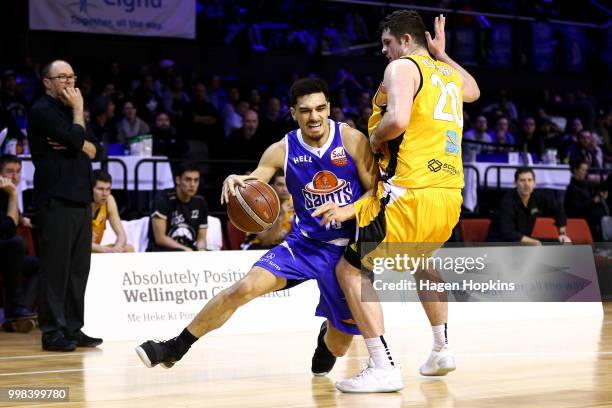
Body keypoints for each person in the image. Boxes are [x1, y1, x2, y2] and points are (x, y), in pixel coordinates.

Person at [135, 77, 378, 378]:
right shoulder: (282, 149)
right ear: (293, 113)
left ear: (329, 108)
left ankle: (326, 335)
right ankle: (175, 347)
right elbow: (254, 180)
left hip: (348, 253)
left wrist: (345, 211)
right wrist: (236, 179)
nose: (313, 117)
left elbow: (376, 193)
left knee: (339, 347)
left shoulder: (352, 139)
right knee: (244, 287)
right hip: (304, 245)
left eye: (320, 108)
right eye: (305, 111)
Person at [313, 12, 481, 392]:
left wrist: (373, 141)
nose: (385, 51)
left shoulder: (403, 66)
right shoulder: (443, 72)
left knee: (351, 270)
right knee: (422, 262)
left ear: (406, 40)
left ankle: (382, 365)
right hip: (448, 195)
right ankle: (441, 349)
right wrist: (443, 54)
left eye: (388, 43)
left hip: (410, 191)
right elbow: (473, 90)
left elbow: (399, 118)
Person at [27, 59, 103, 351]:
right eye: (62, 77)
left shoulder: (69, 111)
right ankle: (51, 331)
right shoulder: (42, 111)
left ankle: (73, 327)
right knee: (55, 268)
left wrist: (79, 141)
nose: (70, 83)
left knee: (77, 269)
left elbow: (96, 148)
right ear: (47, 82)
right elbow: (75, 140)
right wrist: (78, 116)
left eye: (72, 76)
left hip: (82, 198)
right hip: (55, 197)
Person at [0, 155, 38, 333]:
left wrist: (23, 219)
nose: (14, 177)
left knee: (42, 264)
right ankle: (14, 310)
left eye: (18, 172)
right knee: (16, 243)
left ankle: (21, 312)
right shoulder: (10, 193)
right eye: (9, 171)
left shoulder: (6, 193)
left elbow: (14, 220)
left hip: (5, 256)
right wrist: (14, 195)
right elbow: (8, 229)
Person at [488, 167, 572, 244]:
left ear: (534, 183)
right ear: (515, 183)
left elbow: (558, 209)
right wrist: (534, 242)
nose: (526, 184)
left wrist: (562, 234)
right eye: (522, 180)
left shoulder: (538, 197)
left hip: (522, 243)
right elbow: (508, 233)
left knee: (561, 243)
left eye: (529, 180)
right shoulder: (506, 201)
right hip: (500, 244)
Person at [147, 162, 209, 252]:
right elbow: (160, 238)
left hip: (188, 251)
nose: (192, 184)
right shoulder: (163, 198)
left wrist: (202, 250)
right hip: (161, 251)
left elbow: (201, 239)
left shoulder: (201, 202)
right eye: (188, 179)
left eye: (196, 180)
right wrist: (185, 249)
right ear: (178, 180)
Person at [241, 170, 294, 250]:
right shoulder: (260, 205)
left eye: (287, 185)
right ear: (271, 187)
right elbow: (265, 242)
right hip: (256, 246)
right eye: (280, 185)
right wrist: (281, 215)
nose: (285, 189)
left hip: (280, 247)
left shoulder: (295, 203)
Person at [91, 170, 134, 253]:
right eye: (100, 189)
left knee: (128, 248)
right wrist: (108, 250)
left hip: (98, 250)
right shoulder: (82, 205)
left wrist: (116, 249)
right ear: (90, 189)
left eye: (108, 189)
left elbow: (122, 236)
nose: (105, 194)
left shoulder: (109, 200)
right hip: (80, 253)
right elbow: (81, 243)